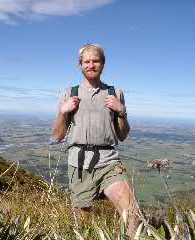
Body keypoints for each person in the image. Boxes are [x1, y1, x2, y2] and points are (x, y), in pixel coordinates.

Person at [53, 44, 140, 237]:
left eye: (96, 60)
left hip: (108, 160)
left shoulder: (115, 93)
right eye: (87, 61)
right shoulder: (70, 93)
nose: (91, 65)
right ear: (80, 65)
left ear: (103, 64)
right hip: (79, 163)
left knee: (133, 214)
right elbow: (58, 136)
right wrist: (62, 112)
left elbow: (122, 135)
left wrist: (122, 111)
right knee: (83, 226)